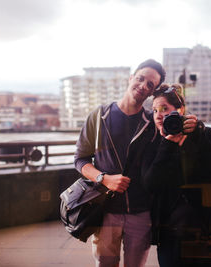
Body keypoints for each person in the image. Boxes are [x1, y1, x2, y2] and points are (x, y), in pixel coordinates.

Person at [74, 59, 166, 267]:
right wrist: (103, 178)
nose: (143, 85)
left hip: (141, 213)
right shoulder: (99, 116)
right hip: (105, 211)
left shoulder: (154, 122)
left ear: (152, 92)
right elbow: (80, 159)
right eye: (141, 78)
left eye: (150, 85)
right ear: (131, 78)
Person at [142, 83, 211, 267]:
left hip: (210, 227)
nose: (159, 115)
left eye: (164, 109)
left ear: (180, 109)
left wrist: (198, 136)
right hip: (171, 232)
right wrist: (167, 145)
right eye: (154, 110)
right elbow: (150, 183)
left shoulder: (205, 134)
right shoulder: (154, 144)